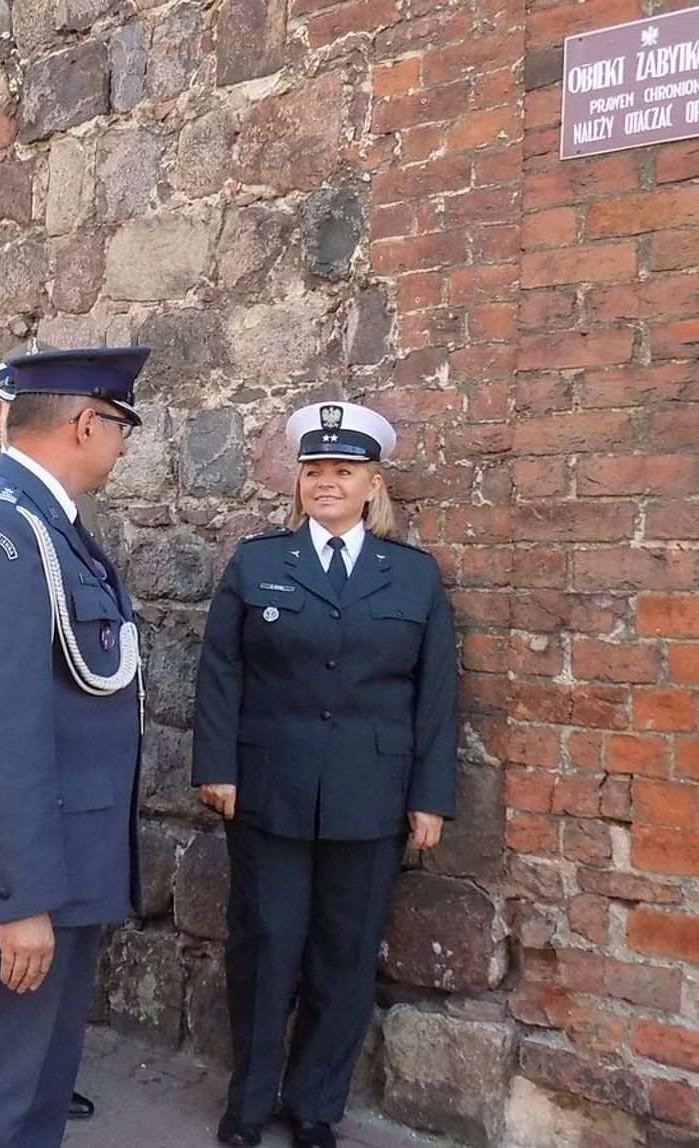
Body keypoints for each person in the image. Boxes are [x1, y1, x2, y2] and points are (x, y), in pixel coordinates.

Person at [191, 401, 458, 1148]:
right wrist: (216, 766)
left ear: (373, 484)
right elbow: (220, 672)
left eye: (343, 471)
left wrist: (430, 797)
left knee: (345, 952)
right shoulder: (259, 563)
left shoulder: (412, 576)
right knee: (265, 944)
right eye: (314, 471)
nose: (326, 483)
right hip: (269, 789)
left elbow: (437, 694)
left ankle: (315, 1104)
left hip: (371, 797)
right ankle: (248, 1104)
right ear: (299, 481)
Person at [0, 347, 149, 1148]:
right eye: (120, 426)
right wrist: (20, 902)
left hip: (63, 860)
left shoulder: (48, 524)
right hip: (24, 877)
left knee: (35, 1099)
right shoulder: (5, 531)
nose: (122, 446)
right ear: (86, 423)